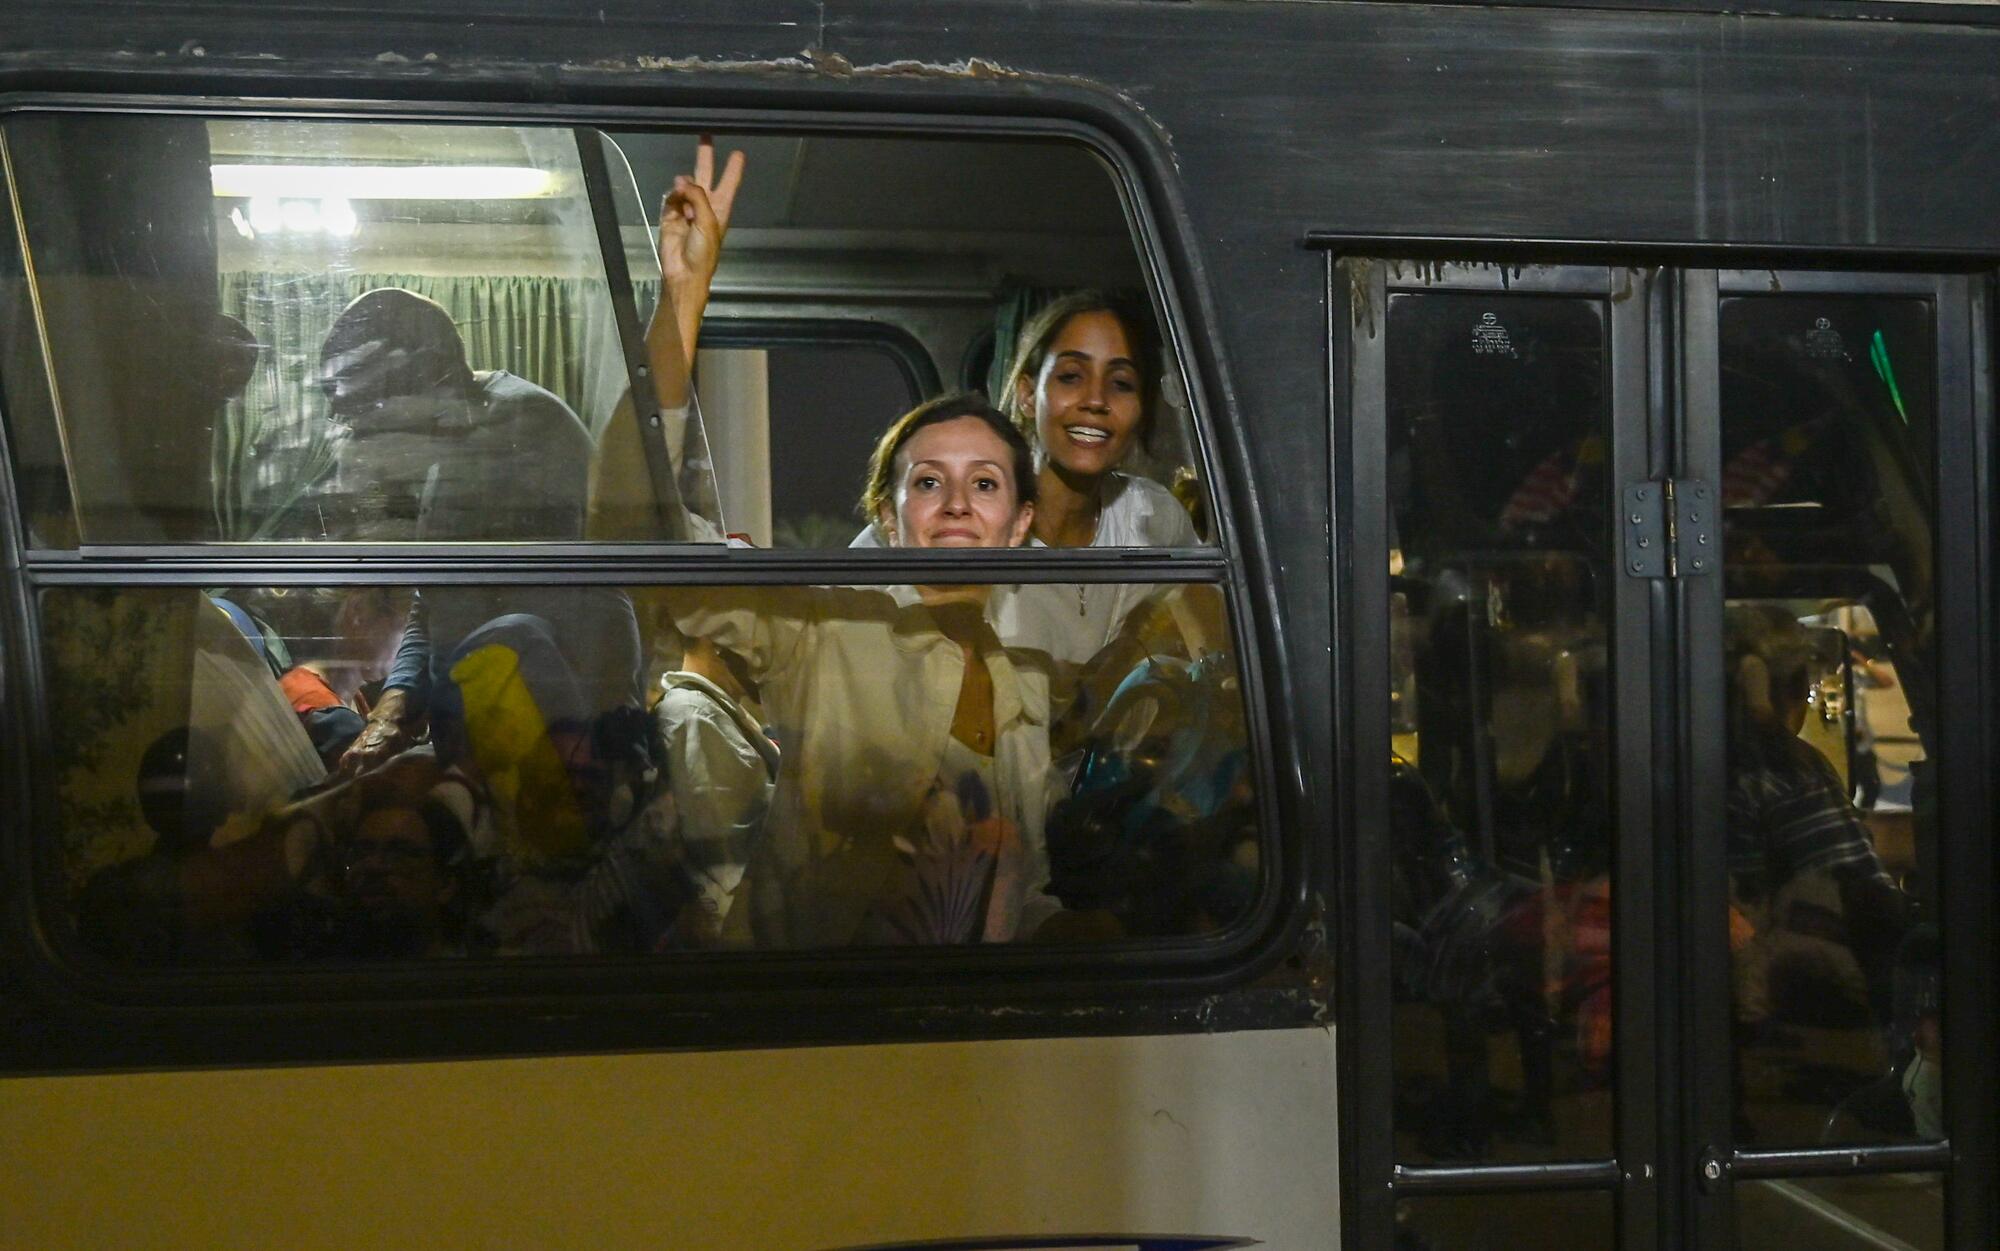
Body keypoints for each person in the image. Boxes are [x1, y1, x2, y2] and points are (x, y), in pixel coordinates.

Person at [672, 395, 1059, 948]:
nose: (956, 505)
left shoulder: (1028, 686)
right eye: (928, 483)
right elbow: (655, 543)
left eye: (985, 484)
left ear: (1020, 523)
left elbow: (1020, 889)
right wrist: (677, 323)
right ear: (887, 519)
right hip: (817, 1011)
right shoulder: (825, 626)